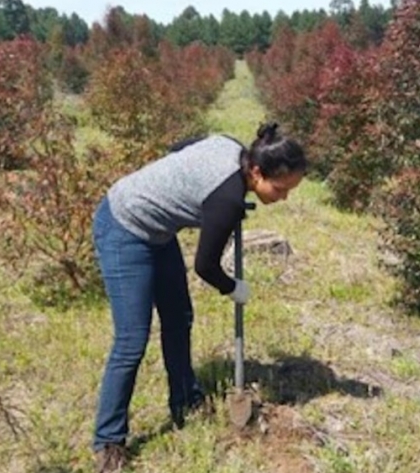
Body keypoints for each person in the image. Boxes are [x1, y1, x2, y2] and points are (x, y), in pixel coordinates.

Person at [90, 122, 308, 472]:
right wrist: (234, 287)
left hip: (158, 232)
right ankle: (108, 441)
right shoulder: (226, 200)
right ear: (255, 170)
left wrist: (175, 187)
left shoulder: (230, 145)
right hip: (123, 226)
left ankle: (185, 402)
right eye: (280, 189)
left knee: (179, 318)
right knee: (131, 340)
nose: (284, 197)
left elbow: (182, 145)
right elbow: (205, 267)